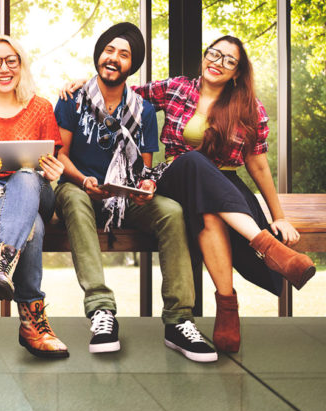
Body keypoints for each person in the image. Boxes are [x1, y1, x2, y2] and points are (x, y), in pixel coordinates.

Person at [61, 35, 315, 354]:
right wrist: (90, 81)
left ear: (237, 72)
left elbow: (259, 166)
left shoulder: (249, 108)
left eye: (228, 60)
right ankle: (271, 249)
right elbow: (124, 91)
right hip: (174, 175)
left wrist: (279, 216)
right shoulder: (178, 88)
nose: (217, 62)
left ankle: (227, 309)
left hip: (225, 186)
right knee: (193, 160)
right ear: (204, 56)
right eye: (214, 54)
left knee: (209, 211)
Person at [55, 22, 218, 362]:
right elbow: (60, 155)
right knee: (70, 195)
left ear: (132, 65)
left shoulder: (143, 110)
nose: (113, 58)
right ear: (99, 55)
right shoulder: (72, 99)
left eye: (124, 54)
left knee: (171, 210)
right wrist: (84, 179)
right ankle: (101, 312)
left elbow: (142, 168)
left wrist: (144, 186)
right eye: (109, 51)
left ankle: (178, 320)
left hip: (123, 199)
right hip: (82, 193)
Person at [0, 34, 69, 359]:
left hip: (36, 191)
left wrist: (52, 171)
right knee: (28, 222)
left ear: (20, 65)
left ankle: (2, 264)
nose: (4, 68)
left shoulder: (41, 107)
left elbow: (53, 160)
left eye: (11, 61)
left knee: (25, 176)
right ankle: (33, 322)